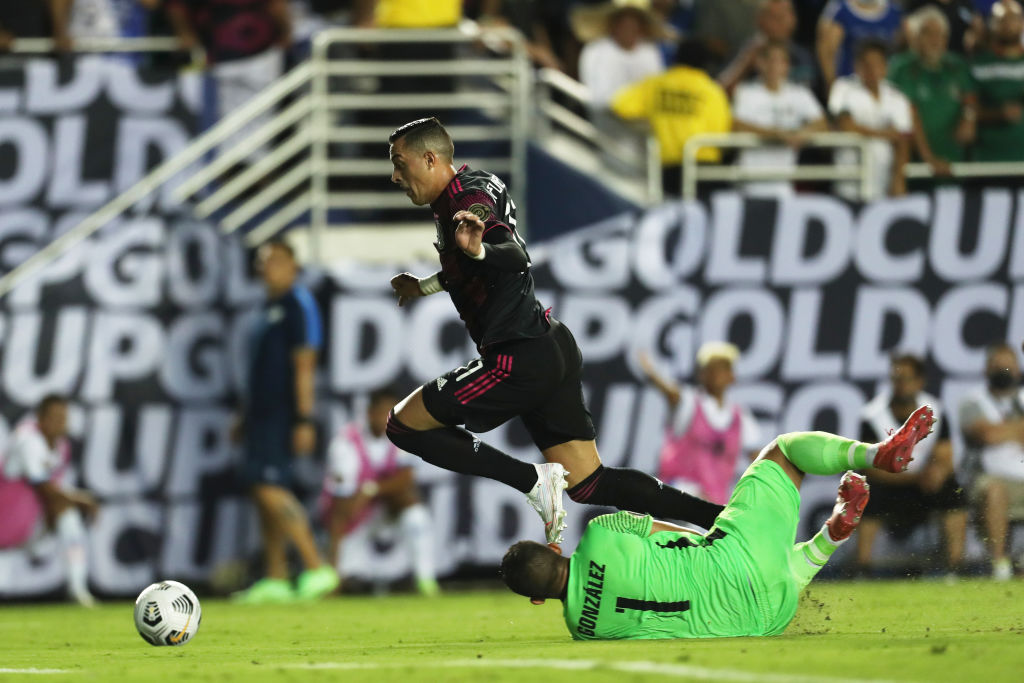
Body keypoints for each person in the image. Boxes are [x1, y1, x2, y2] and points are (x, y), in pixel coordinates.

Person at [385, 117, 726, 546]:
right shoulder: (475, 183)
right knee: (589, 482)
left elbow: (513, 254)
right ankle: (721, 518)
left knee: (403, 426)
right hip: (548, 344)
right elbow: (467, 266)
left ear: (430, 159)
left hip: (517, 357)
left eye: (400, 163)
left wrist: (482, 249)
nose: (395, 176)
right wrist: (424, 286)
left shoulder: (466, 202)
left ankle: (532, 481)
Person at [500, 406, 935, 640]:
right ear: (554, 548)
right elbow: (683, 536)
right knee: (784, 451)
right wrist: (727, 533)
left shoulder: (585, 630)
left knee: (773, 576)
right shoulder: (600, 533)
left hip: (764, 621)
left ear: (537, 600)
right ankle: (876, 454)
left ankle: (830, 537)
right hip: (735, 564)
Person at [232, 240, 338, 603]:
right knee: (261, 490)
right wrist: (244, 414)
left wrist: (304, 418)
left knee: (269, 486)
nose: (268, 267)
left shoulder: (298, 304)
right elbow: (259, 369)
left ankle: (316, 567)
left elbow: (304, 365)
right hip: (260, 414)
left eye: (276, 260)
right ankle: (276, 577)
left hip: (282, 414)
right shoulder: (267, 307)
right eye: (263, 261)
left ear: (294, 265)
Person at [855, 354, 967, 578]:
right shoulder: (872, 415)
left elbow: (945, 457)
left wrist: (937, 472)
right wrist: (916, 477)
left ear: (920, 381)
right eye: (897, 379)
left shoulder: (934, 411)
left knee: (953, 491)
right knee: (866, 492)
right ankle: (862, 570)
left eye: (907, 379)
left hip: (924, 485)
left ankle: (954, 569)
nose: (901, 385)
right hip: (889, 485)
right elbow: (869, 467)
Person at [320, 387, 439, 596]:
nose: (388, 418)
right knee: (348, 579)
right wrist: (335, 564)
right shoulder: (346, 443)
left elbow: (406, 481)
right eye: (382, 412)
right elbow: (342, 507)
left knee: (416, 516)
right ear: (369, 413)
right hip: (354, 517)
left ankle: (425, 581)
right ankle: (342, 575)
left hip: (384, 511)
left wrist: (371, 489)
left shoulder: (403, 435)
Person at [0, 395, 97, 606]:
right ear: (40, 418)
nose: (59, 423)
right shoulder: (28, 439)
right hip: (6, 522)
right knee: (63, 504)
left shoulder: (61, 445)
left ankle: (78, 590)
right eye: (54, 417)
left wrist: (76, 499)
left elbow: (55, 486)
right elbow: (44, 486)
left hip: (31, 521)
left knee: (66, 513)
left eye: (63, 418)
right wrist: (83, 500)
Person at [638, 343, 762, 507]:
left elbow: (760, 461)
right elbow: (671, 393)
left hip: (714, 506)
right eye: (713, 368)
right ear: (702, 374)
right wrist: (651, 373)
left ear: (732, 376)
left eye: (724, 368)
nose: (718, 373)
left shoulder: (741, 418)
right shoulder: (689, 402)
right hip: (676, 496)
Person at [610, 39, 732, 196]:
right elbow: (721, 132)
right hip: (704, 170)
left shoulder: (656, 84)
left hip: (668, 171)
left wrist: (651, 118)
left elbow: (620, 105)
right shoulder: (712, 90)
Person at [958, 342, 1024, 581]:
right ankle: (1000, 564)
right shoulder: (973, 402)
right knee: (995, 490)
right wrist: (1017, 429)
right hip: (987, 479)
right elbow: (986, 435)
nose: (1004, 372)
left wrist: (1001, 430)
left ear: (1018, 369)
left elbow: (995, 432)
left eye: (1009, 366)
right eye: (998, 366)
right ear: (987, 369)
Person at [889, 6, 978, 178]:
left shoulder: (957, 65)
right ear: (914, 37)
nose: (935, 40)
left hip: (955, 162)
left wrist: (969, 117)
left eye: (941, 35)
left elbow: (970, 96)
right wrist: (928, 158)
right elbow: (908, 114)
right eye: (927, 33)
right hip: (914, 168)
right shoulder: (901, 69)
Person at [730, 41, 827, 197]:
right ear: (760, 63)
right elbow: (737, 125)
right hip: (749, 182)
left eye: (781, 61)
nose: (774, 66)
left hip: (783, 183)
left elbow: (822, 123)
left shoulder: (799, 93)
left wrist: (802, 133)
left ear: (787, 66)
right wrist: (776, 134)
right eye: (770, 60)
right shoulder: (745, 92)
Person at [828, 39, 912, 199]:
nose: (872, 69)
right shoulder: (843, 87)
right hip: (849, 181)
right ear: (857, 66)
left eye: (877, 64)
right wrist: (887, 134)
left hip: (884, 180)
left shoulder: (896, 96)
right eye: (866, 64)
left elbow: (903, 139)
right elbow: (845, 125)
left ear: (885, 67)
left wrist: (898, 179)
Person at [574, 1, 666, 108]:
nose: (629, 27)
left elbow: (656, 92)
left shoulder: (650, 52)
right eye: (624, 22)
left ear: (641, 26)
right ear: (613, 23)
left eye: (634, 22)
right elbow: (598, 98)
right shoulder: (595, 50)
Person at [718, 0, 818, 94]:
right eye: (774, 17)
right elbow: (719, 92)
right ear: (760, 20)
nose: (781, 22)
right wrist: (746, 63)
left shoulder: (804, 55)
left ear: (794, 19)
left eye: (785, 15)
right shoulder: (746, 53)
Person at [971, 0, 1024, 167]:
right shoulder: (977, 64)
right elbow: (966, 111)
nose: (1008, 24)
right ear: (991, 24)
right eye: (1001, 19)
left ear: (1022, 23)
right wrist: (997, 114)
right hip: (988, 160)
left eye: (1013, 18)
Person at [818, 0, 903, 89]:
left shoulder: (894, 11)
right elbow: (827, 50)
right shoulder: (840, 8)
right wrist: (831, 83)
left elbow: (897, 50)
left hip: (883, 84)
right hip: (849, 82)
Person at [902, 0, 983, 54]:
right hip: (925, 58)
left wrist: (973, 33)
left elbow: (973, 24)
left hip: (958, 57)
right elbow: (907, 25)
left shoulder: (963, 3)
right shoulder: (919, 2)